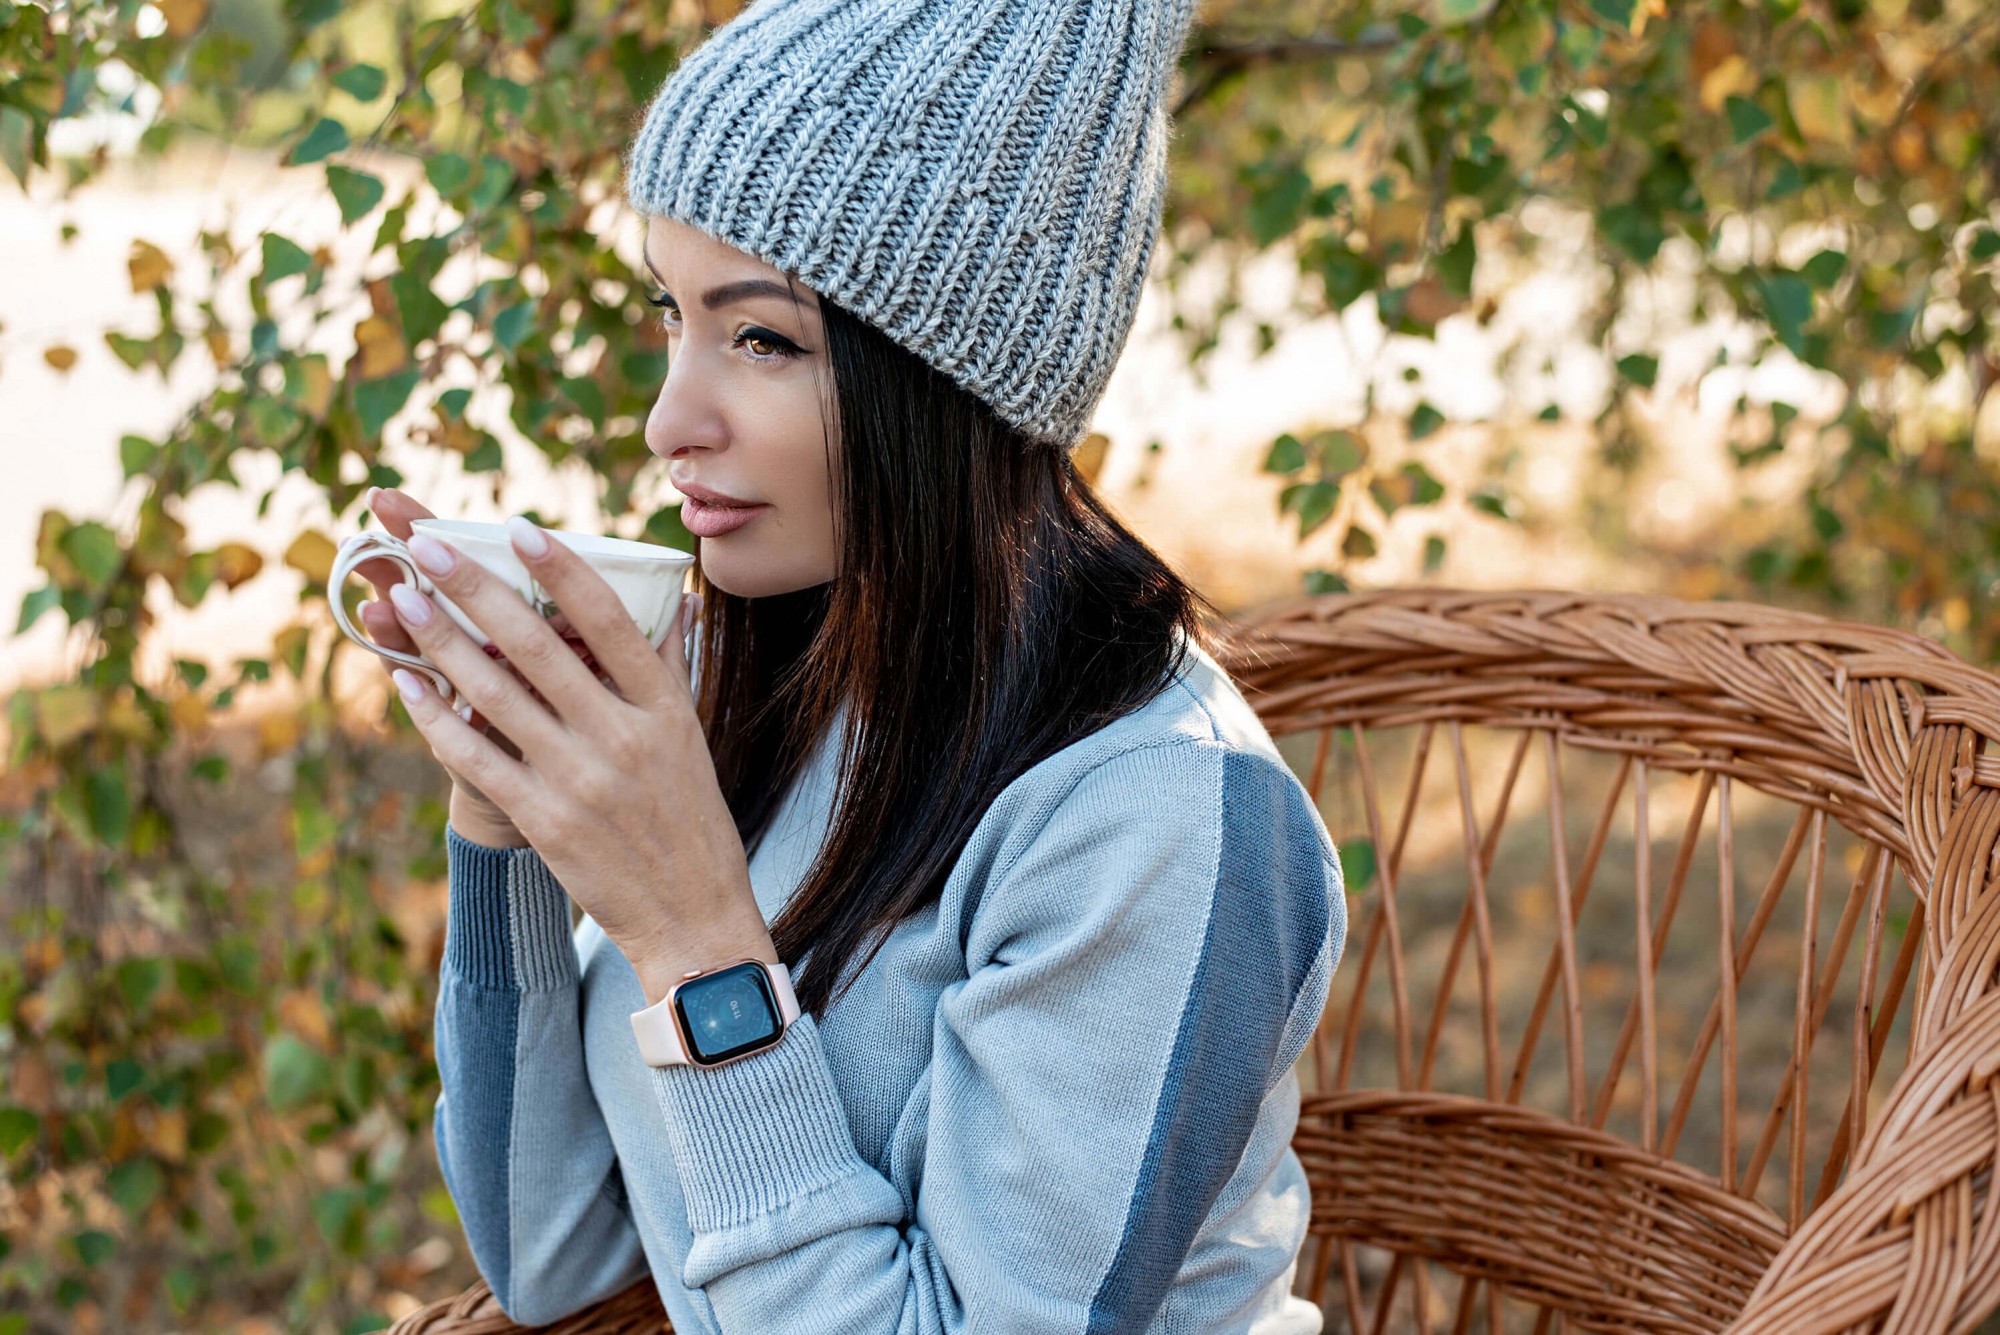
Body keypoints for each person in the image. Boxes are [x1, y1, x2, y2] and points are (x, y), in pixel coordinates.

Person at [352, 0, 1347, 1329]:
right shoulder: (792, 681)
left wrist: (694, 939)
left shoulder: (1158, 820)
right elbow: (553, 1253)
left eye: (762, 338)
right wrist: (509, 819)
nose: (667, 421)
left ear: (949, 386)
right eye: (671, 314)